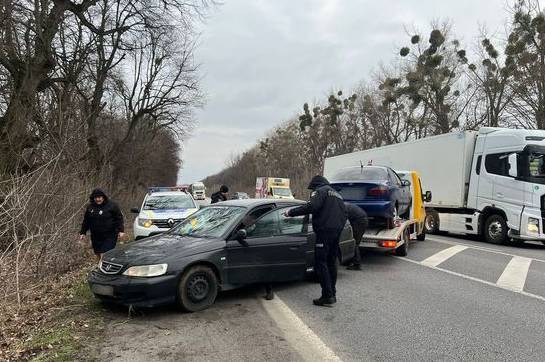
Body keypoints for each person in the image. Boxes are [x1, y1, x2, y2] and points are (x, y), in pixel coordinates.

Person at [284, 175, 346, 307]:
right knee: (331, 262)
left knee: (320, 262)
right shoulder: (337, 194)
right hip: (337, 230)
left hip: (324, 231)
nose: (312, 190)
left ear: (316, 185)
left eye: (312, 188)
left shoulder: (320, 191)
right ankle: (332, 293)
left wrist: (290, 212)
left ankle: (327, 296)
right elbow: (344, 213)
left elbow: (312, 206)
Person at [79, 189, 125, 262]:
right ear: (93, 198)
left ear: (103, 197)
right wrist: (83, 232)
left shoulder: (112, 205)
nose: (98, 199)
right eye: (95, 198)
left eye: (99, 197)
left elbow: (119, 218)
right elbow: (86, 221)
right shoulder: (90, 207)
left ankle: (105, 270)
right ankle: (100, 267)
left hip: (110, 235)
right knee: (98, 253)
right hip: (95, 235)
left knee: (105, 254)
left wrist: (121, 230)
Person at [345, 202, 368, 270]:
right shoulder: (343, 205)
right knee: (353, 241)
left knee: (354, 242)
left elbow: (341, 221)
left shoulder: (340, 208)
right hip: (362, 219)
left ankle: (357, 264)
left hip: (359, 221)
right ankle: (350, 260)